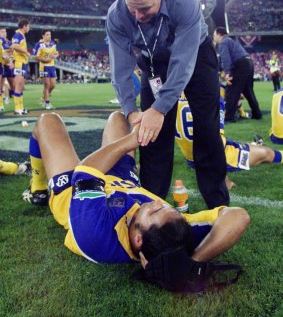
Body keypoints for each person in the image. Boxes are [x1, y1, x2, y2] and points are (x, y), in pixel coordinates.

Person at [22, 111, 250, 265]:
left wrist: (131, 142)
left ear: (138, 240)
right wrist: (192, 263)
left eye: (154, 211)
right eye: (166, 207)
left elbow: (86, 169)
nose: (158, 203)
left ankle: (39, 187)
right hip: (124, 182)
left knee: (47, 121)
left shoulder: (97, 236)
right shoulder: (171, 232)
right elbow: (239, 217)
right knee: (118, 118)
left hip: (74, 189)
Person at [106, 0, 228, 209]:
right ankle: (152, 206)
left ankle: (218, 206)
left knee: (206, 127)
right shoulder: (117, 16)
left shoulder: (184, 1)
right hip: (152, 61)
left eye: (145, 8)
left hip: (196, 54)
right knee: (151, 136)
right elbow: (120, 70)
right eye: (132, 8)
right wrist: (132, 111)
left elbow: (183, 63)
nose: (138, 16)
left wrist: (159, 109)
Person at [176, 95, 283, 189]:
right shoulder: (210, 92)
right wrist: (223, 179)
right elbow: (215, 142)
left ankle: (254, 145)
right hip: (216, 158)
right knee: (267, 153)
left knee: (235, 144)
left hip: (191, 158)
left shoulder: (171, 92)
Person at [213, 27, 262, 122]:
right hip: (248, 63)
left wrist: (227, 73)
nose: (214, 37)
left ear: (219, 35)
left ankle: (228, 117)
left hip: (241, 65)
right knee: (248, 91)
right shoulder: (231, 40)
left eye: (214, 35)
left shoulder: (223, 42)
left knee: (231, 90)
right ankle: (257, 114)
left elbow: (226, 58)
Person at [33, 29, 59, 109]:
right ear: (43, 36)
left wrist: (54, 56)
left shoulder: (53, 44)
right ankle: (47, 103)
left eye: (50, 34)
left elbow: (56, 53)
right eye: (47, 34)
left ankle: (43, 98)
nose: (49, 36)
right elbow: (35, 57)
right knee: (47, 85)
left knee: (53, 85)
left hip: (52, 66)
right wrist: (45, 60)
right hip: (44, 66)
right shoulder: (39, 44)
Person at [11, 19, 30, 116]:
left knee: (21, 87)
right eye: (28, 26)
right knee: (18, 86)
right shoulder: (18, 34)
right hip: (19, 63)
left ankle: (21, 108)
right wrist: (25, 52)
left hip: (23, 63)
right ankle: (17, 109)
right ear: (24, 26)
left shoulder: (21, 35)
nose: (29, 28)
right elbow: (14, 45)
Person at [0, 28, 14, 106]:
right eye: (2, 32)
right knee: (3, 83)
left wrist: (11, 60)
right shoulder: (1, 42)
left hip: (8, 64)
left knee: (11, 84)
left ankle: (8, 97)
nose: (4, 33)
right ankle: (3, 101)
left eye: (5, 31)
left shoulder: (9, 43)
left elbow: (11, 53)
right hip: (2, 63)